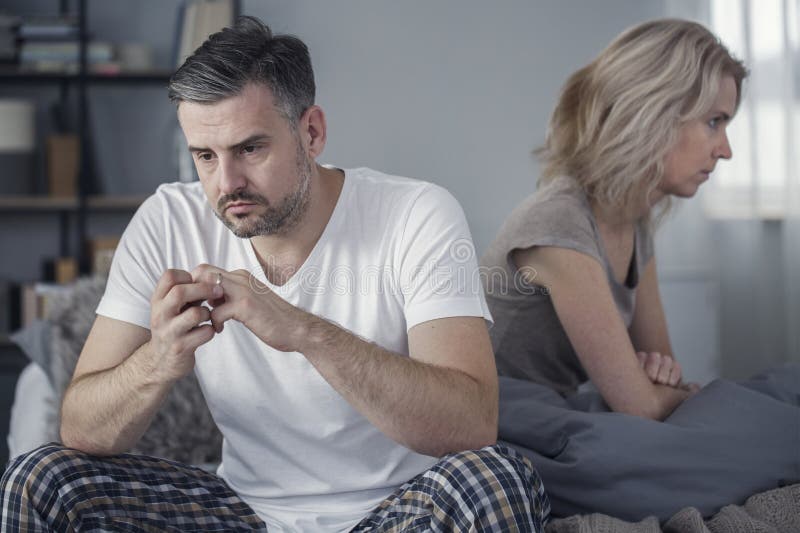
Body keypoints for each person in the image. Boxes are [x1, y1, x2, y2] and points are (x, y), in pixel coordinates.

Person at [0, 16, 549, 532]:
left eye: (250, 148)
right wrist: (159, 360)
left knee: (495, 480)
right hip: (242, 511)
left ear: (311, 132)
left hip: (398, 510)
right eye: (205, 156)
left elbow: (472, 423)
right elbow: (79, 429)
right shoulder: (167, 220)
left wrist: (304, 333)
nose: (226, 183)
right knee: (42, 479)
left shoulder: (417, 214)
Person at [481, 19, 747, 420]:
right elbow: (641, 405)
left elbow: (664, 379)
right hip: (505, 430)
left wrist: (664, 387)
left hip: (556, 416)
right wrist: (672, 393)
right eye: (714, 122)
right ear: (652, 113)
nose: (725, 150)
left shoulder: (635, 223)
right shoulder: (559, 222)